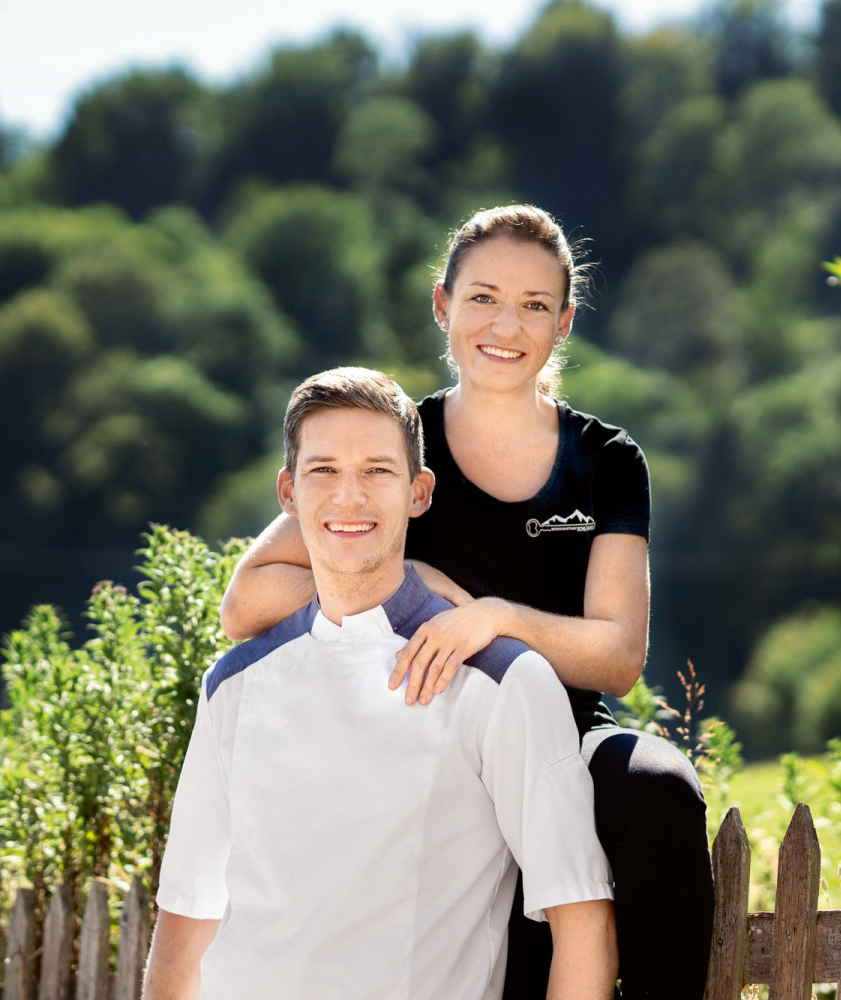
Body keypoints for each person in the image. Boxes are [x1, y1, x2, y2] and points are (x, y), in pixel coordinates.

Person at [219, 206, 713, 998]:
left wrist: (497, 616)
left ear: (564, 323)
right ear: (442, 306)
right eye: (482, 298)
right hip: (422, 741)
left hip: (563, 736)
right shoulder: (395, 442)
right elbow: (247, 600)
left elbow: (618, 657)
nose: (506, 325)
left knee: (658, 789)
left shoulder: (607, 461)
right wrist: (419, 590)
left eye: (534, 305)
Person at [141, 367, 617, 1000]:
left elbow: (582, 921)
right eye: (324, 470)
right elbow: (186, 919)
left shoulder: (503, 683)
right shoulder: (234, 684)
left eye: (377, 471)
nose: (349, 497)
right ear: (289, 491)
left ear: (419, 492)